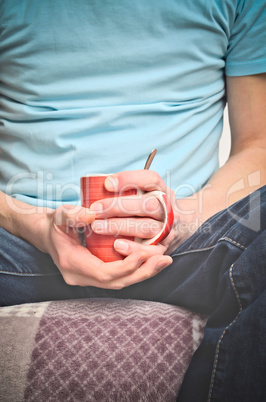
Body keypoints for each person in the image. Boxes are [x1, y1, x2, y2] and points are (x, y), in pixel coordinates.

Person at [0, 1, 265, 400]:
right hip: (22, 248)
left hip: (189, 247)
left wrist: (183, 219)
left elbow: (257, 143)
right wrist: (35, 226)